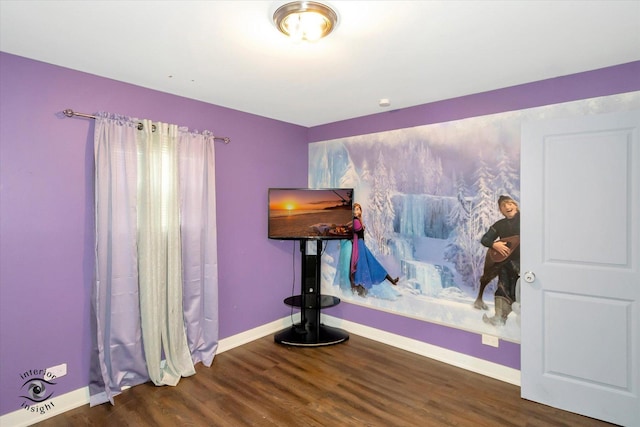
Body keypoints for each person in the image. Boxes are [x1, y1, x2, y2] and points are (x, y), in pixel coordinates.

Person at [478, 195, 520, 326]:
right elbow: (485, 239)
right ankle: (499, 318)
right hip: (507, 263)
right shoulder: (500, 225)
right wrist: (494, 244)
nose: (507, 207)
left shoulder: (527, 220)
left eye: (509, 203)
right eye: (503, 205)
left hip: (525, 264)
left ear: (515, 205)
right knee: (503, 287)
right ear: (501, 210)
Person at [350, 203, 399, 297]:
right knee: (367, 266)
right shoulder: (356, 221)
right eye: (355, 209)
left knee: (371, 265)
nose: (356, 211)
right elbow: (357, 232)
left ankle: (391, 280)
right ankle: (362, 289)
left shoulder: (358, 221)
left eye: (358, 209)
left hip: (361, 245)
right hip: (360, 246)